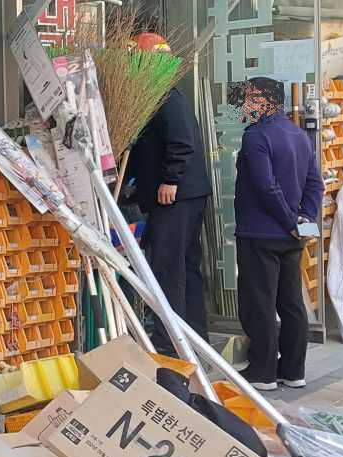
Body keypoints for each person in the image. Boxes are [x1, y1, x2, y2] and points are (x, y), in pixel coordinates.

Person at [233, 76, 323, 390]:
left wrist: (289, 221)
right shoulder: (299, 135)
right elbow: (315, 184)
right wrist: (303, 220)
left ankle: (262, 372)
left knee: (259, 303)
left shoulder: (256, 136)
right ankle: (293, 370)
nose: (245, 105)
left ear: (265, 101)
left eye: (250, 99)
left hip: (260, 232)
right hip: (290, 237)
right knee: (291, 302)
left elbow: (265, 186)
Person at [126, 47, 212, 353]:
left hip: (177, 196)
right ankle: (195, 338)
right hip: (184, 194)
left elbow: (182, 142)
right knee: (185, 266)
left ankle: (171, 343)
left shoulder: (166, 97)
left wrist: (170, 180)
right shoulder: (159, 95)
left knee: (168, 267)